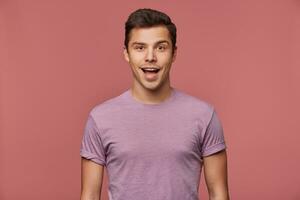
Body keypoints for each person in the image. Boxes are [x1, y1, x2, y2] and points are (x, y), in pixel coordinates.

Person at [80, 8, 230, 200]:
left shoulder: (204, 116)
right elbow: (90, 196)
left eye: (160, 47)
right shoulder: (100, 119)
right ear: (126, 53)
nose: (150, 57)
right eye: (140, 47)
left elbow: (219, 193)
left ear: (174, 53)